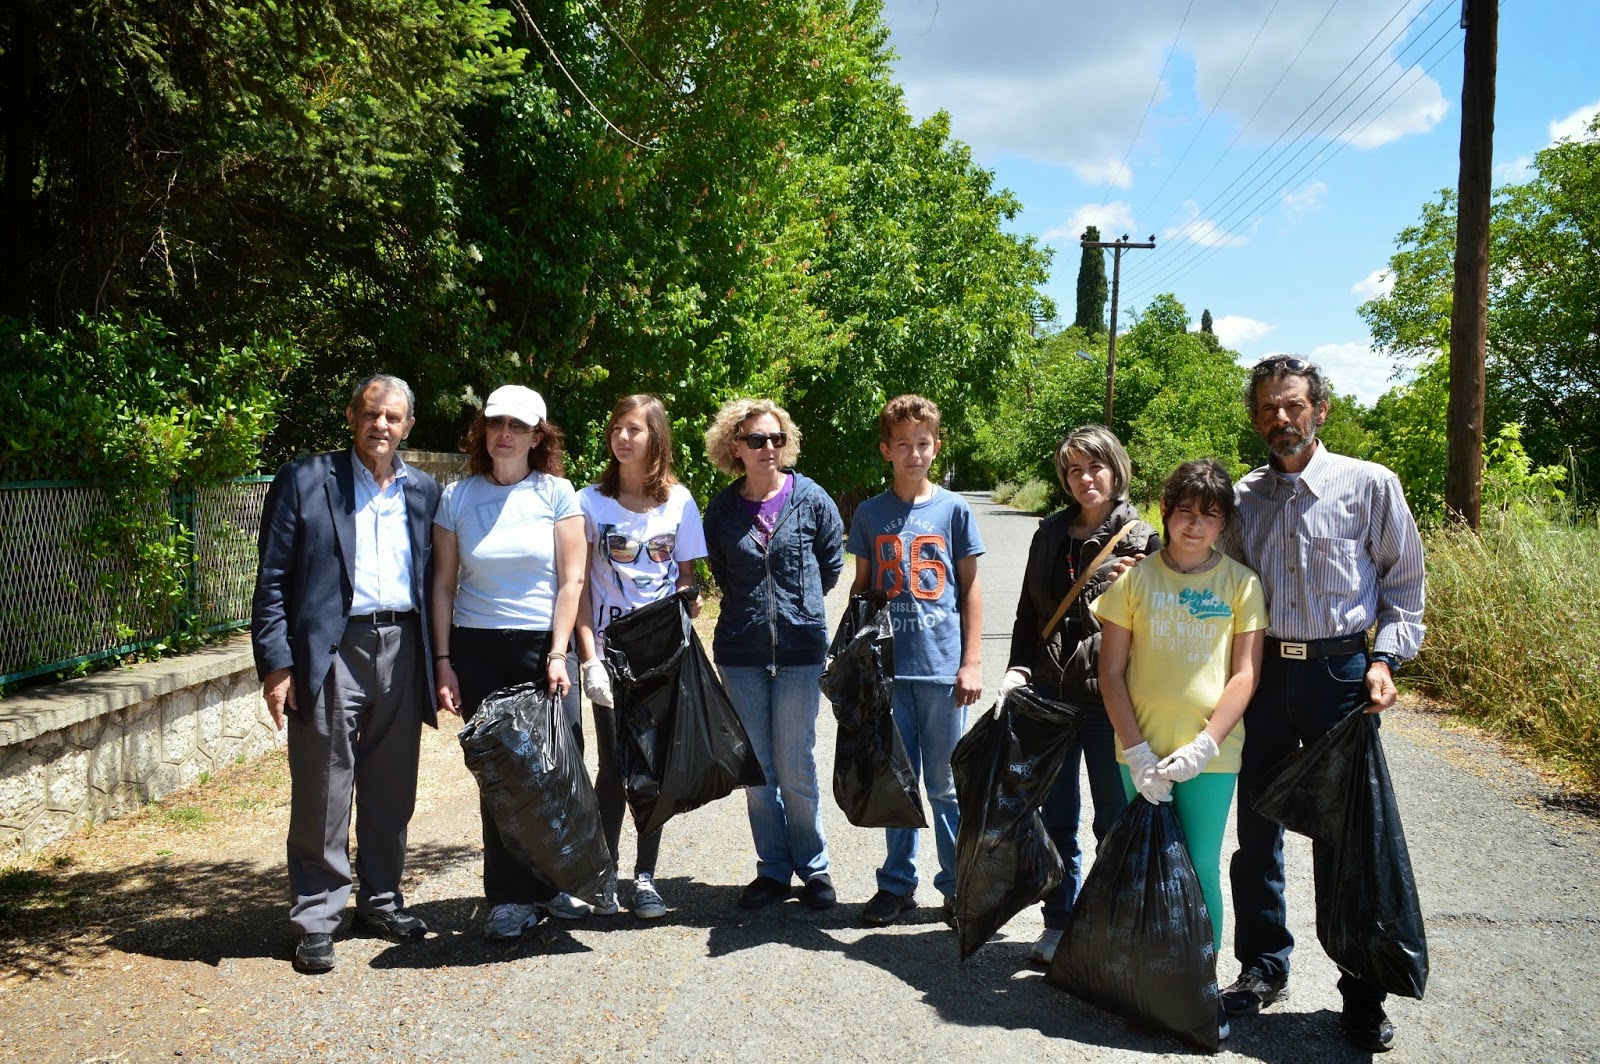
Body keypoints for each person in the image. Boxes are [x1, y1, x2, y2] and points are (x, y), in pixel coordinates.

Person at [1221, 355, 1426, 1053]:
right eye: (1267, 409)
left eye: (1292, 405)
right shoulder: (1242, 499)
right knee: (1257, 833)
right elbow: (1210, 578)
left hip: (1342, 674)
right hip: (1267, 674)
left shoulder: (1369, 485)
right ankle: (1261, 968)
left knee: (1349, 842)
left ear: (1320, 409)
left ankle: (1361, 992)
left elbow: (1404, 585)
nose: (1280, 419)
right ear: (1255, 419)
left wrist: (1384, 660)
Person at [251, 373, 443, 974]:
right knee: (323, 786)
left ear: (409, 426)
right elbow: (273, 578)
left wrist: (442, 660)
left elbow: (439, 582)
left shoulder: (426, 493)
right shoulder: (306, 479)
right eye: (371, 414)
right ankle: (317, 914)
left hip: (404, 644)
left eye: (393, 417)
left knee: (392, 786)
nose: (380, 425)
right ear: (351, 416)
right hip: (332, 649)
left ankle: (382, 898)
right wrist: (277, 663)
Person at [1091, 460, 1268, 1040]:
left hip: (1209, 758)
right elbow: (1111, 672)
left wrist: (1206, 742)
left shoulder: (1241, 584)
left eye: (1209, 516)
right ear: (1165, 514)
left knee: (1198, 870)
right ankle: (1146, 981)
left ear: (1223, 524)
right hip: (1138, 755)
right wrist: (1136, 750)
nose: (1194, 526)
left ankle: (1198, 986)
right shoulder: (1134, 581)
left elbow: (1244, 676)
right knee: (1145, 871)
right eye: (1184, 513)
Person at [430, 384, 594, 940]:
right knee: (501, 777)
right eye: (497, 423)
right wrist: (444, 661)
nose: (505, 434)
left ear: (537, 436)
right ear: (484, 429)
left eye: (518, 427)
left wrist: (557, 652)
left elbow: (572, 578)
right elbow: (443, 585)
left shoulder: (556, 493)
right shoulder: (457, 496)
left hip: (541, 648)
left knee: (554, 768)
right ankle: (508, 897)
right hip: (477, 648)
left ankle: (556, 885)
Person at [997, 424, 1160, 967]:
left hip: (1110, 701)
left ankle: (1111, 925)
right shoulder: (1048, 533)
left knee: (1114, 819)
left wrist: (1136, 589)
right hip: (1049, 696)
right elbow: (1029, 612)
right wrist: (1018, 668)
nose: (1085, 478)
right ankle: (1059, 921)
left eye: (1095, 467)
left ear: (1116, 470)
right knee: (1056, 819)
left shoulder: (1143, 539)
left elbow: (1160, 626)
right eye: (1073, 469)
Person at [848, 394, 985, 927]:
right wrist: (857, 664)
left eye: (922, 444)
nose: (913, 454)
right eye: (902, 445)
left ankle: (955, 886)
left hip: (942, 671)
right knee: (896, 784)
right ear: (886, 450)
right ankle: (897, 884)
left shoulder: (954, 510)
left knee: (947, 786)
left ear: (936, 446)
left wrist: (971, 661)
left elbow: (970, 590)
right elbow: (862, 591)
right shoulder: (870, 514)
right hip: (888, 672)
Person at [702, 398, 844, 911]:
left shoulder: (812, 498)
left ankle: (815, 868)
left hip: (801, 651)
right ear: (734, 447)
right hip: (741, 652)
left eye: (777, 439)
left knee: (796, 764)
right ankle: (773, 870)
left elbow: (830, 566)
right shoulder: (720, 509)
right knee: (758, 769)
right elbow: (721, 570)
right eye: (757, 440)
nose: (769, 448)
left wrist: (797, 607)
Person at [575, 394, 707, 920]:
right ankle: (603, 874)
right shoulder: (589, 503)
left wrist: (689, 601)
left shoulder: (679, 502)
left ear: (656, 438)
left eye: (634, 429)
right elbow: (578, 587)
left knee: (652, 768)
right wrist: (588, 657)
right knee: (612, 766)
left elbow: (686, 578)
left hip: (660, 655)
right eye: (617, 428)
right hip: (607, 650)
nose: (622, 437)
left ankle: (645, 877)